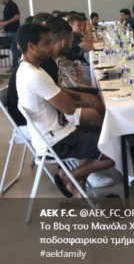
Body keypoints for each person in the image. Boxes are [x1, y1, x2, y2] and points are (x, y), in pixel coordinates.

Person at [15, 24, 115, 198]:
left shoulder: (28, 69)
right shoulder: (35, 75)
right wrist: (73, 97)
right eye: (47, 43)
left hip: (56, 133)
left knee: (98, 130)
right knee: (116, 151)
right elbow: (69, 109)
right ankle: (68, 176)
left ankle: (78, 191)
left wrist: (73, 96)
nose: (52, 47)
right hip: (56, 141)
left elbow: (61, 96)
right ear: (31, 46)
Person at [0, 0, 21, 71]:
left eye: (0, 0)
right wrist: (3, 20)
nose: (0, 2)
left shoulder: (12, 4)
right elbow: (10, 17)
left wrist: (6, 22)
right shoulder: (7, 6)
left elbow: (17, 16)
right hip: (9, 30)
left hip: (13, 30)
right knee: (12, 48)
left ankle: (15, 65)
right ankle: (25, 57)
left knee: (13, 48)